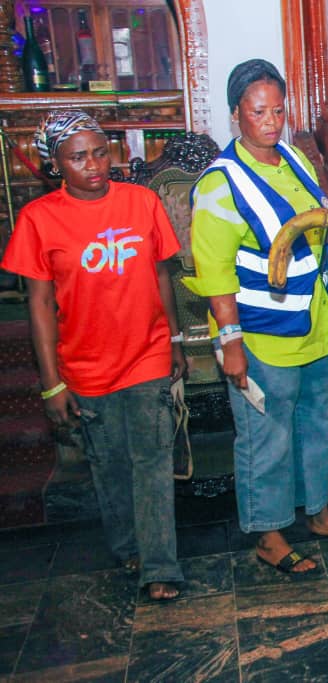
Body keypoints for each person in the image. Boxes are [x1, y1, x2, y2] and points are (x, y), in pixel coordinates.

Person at [186, 59, 328, 575]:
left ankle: (317, 512)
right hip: (262, 334)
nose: (271, 122)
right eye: (258, 112)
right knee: (266, 434)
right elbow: (215, 273)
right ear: (235, 114)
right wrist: (231, 343)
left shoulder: (294, 157)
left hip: (316, 320)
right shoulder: (220, 184)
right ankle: (268, 533)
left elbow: (319, 211)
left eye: (279, 111)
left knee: (317, 423)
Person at [1, 110, 186, 600]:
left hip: (146, 353)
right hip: (85, 363)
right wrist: (51, 383)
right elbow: (39, 305)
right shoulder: (39, 219)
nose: (94, 165)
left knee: (152, 460)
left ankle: (160, 566)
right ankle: (128, 546)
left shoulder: (141, 201)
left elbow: (161, 273)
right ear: (56, 164)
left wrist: (173, 339)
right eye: (78, 157)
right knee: (110, 464)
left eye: (101, 153)